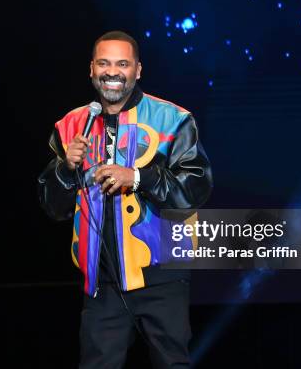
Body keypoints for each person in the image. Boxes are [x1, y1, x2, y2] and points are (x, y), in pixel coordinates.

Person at [38, 30, 213, 368]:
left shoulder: (173, 119)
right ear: (91, 69)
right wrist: (65, 168)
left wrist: (136, 177)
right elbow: (52, 206)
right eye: (104, 63)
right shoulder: (71, 125)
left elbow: (196, 189)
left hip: (161, 276)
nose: (112, 71)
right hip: (101, 284)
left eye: (122, 63)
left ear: (138, 70)